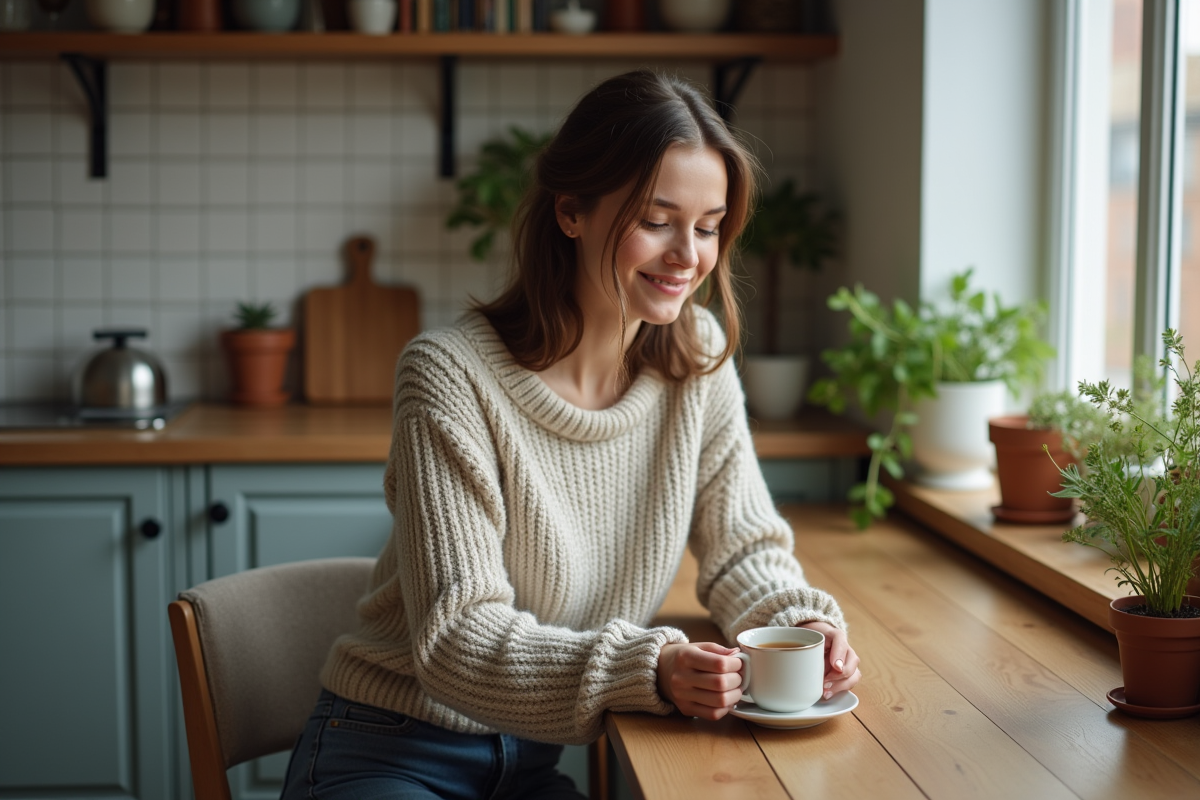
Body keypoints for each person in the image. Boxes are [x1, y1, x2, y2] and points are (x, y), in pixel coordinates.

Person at [280, 69, 861, 800]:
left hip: (531, 764)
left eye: (709, 227)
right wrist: (647, 669)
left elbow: (743, 548)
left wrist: (797, 621)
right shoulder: (449, 374)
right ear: (571, 213)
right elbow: (457, 637)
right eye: (657, 220)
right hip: (391, 751)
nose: (689, 256)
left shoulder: (696, 360)